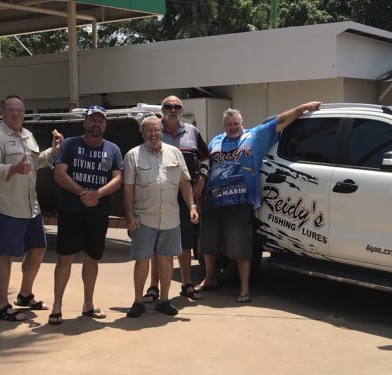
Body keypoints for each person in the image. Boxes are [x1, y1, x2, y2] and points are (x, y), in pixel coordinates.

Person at [195, 101, 322, 303]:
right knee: (208, 244)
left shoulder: (255, 135)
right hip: (213, 201)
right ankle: (210, 278)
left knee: (241, 247)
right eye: (229, 124)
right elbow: (206, 167)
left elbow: (281, 120)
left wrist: (302, 108)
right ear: (223, 126)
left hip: (240, 201)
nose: (233, 127)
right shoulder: (215, 142)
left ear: (242, 123)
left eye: (236, 123)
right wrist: (200, 196)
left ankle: (244, 288)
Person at [0, 95, 59, 321]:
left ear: (24, 113)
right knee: (7, 256)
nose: (16, 113)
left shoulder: (28, 135)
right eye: (11, 110)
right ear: (3, 113)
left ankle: (25, 295)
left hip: (30, 206)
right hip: (7, 207)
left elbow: (35, 164)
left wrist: (51, 153)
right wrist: (14, 168)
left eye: (19, 110)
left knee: (38, 249)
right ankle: (2, 306)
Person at [49, 106, 124, 325]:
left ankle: (88, 305)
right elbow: (59, 174)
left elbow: (118, 178)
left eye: (100, 121)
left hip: (98, 213)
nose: (96, 124)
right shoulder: (70, 144)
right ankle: (57, 307)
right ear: (85, 122)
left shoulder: (113, 149)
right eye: (92, 120)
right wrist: (83, 193)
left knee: (92, 259)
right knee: (65, 258)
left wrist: (97, 194)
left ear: (105, 125)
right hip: (71, 211)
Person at [123, 116, 199, 318]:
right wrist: (129, 215)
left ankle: (164, 300)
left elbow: (184, 183)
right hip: (143, 218)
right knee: (142, 261)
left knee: (166, 260)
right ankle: (138, 301)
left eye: (156, 130)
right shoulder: (133, 155)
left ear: (162, 131)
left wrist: (192, 205)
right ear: (142, 133)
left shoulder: (175, 153)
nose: (153, 134)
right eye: (148, 130)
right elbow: (128, 188)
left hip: (170, 218)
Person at [142, 95, 209, 304]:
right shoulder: (153, 130)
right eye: (169, 107)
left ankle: (187, 284)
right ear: (162, 110)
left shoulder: (192, 132)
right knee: (156, 244)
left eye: (177, 107)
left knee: (185, 243)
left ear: (181, 110)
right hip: (157, 196)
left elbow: (205, 158)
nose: (173, 110)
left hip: (184, 195)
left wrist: (201, 179)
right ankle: (154, 287)